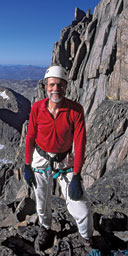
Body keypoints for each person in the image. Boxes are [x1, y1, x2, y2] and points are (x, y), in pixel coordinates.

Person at [24, 65, 94, 251]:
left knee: (81, 207)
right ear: (46, 86)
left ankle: (86, 238)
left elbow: (79, 144)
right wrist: (27, 165)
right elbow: (30, 137)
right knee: (41, 201)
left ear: (66, 87)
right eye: (52, 85)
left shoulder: (75, 110)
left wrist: (77, 176)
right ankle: (45, 228)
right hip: (40, 159)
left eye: (60, 85)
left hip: (65, 162)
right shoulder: (37, 108)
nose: (56, 89)